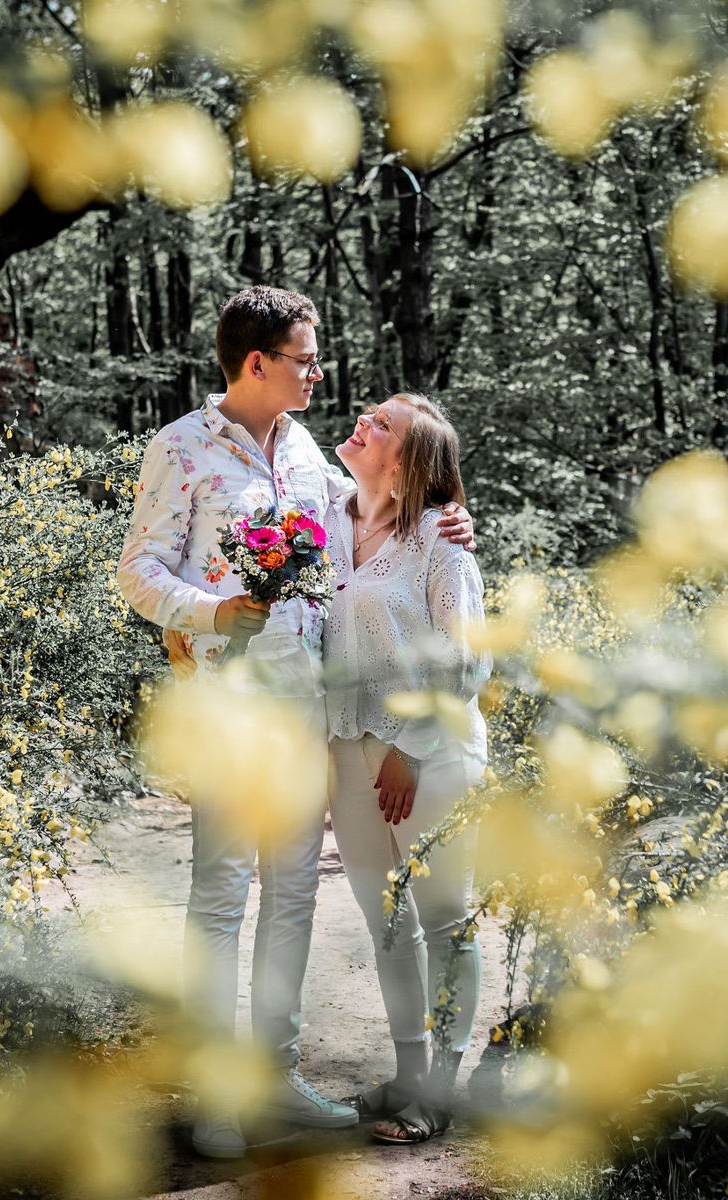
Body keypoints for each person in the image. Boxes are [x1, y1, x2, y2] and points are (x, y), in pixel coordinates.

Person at [115, 287, 473, 1159]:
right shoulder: (183, 449)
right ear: (257, 363)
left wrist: (447, 515)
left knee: (293, 897)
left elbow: (370, 530)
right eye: (307, 359)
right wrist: (210, 610)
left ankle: (275, 1077)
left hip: (314, 711)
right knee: (222, 897)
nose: (319, 371)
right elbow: (138, 571)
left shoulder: (309, 451)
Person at [323, 392, 490, 1146]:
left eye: (381, 422)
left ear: (406, 462)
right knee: (386, 924)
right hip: (345, 752)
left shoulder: (440, 544)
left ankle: (439, 1093)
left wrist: (408, 749)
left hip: (429, 757)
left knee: (446, 921)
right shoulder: (324, 521)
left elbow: (465, 661)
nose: (363, 417)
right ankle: (407, 1075)